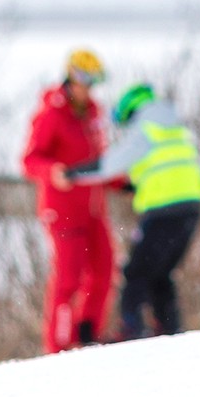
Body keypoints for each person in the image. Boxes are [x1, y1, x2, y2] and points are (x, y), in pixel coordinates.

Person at [67, 83, 200, 341]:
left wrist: (72, 174)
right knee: (160, 273)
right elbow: (165, 168)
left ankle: (131, 330)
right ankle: (170, 330)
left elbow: (110, 165)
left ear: (130, 111)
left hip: (163, 209)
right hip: (192, 209)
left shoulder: (145, 128)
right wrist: (134, 185)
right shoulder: (175, 127)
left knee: (135, 272)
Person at [21, 49, 119, 353]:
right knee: (68, 280)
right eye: (83, 80)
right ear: (71, 77)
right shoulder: (51, 113)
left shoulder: (93, 113)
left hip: (92, 209)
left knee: (104, 269)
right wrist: (53, 171)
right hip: (62, 211)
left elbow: (98, 162)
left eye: (93, 82)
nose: (87, 88)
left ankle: (88, 332)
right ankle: (59, 346)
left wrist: (122, 182)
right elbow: (30, 159)